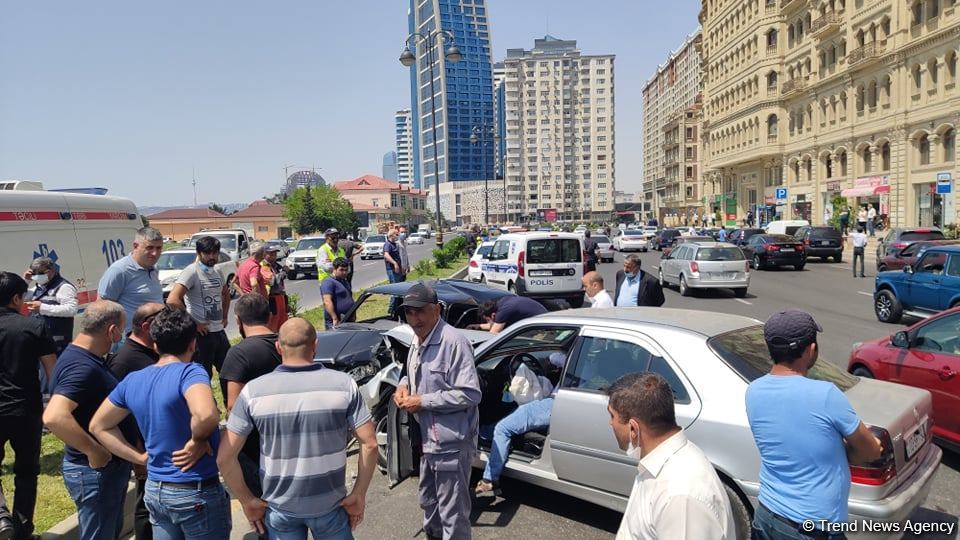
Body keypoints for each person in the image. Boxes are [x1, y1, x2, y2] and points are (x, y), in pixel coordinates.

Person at [218, 318, 377, 539]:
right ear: (315, 345)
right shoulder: (344, 385)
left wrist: (247, 500)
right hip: (331, 504)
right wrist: (359, 494)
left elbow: (225, 458)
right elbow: (369, 444)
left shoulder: (253, 392)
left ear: (278, 347)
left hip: (280, 509)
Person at [90, 307, 229, 540]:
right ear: (193, 344)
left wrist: (140, 458)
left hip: (156, 490)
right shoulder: (190, 373)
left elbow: (99, 426)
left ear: (155, 344)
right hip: (195, 490)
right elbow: (206, 415)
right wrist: (198, 440)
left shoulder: (133, 380)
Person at [746, 310, 882, 539]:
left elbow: (794, 442)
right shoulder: (826, 395)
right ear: (810, 350)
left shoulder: (753, 391)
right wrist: (850, 443)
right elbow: (871, 451)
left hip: (767, 516)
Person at [43, 300, 137, 540]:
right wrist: (94, 450)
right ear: (112, 331)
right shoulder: (82, 367)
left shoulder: (80, 356)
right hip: (95, 471)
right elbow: (54, 416)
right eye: (122, 329)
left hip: (104, 470)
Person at [394, 283, 481, 540]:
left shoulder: (454, 342)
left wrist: (422, 401)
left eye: (420, 311)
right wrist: (403, 385)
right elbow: (413, 373)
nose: (414, 318)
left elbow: (470, 393)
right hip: (427, 443)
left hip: (450, 445)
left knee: (453, 514)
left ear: (437, 310)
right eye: (409, 312)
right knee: (429, 503)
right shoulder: (417, 338)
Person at [607, 373, 735, 540]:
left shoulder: (681, 497)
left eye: (612, 416)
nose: (610, 423)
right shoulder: (662, 462)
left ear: (633, 429)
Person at [0, 272, 58, 540]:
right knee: (27, 471)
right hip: (26, 408)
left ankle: (1, 518)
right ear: (15, 298)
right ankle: (22, 531)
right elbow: (52, 371)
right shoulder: (34, 327)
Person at [103, 302, 164, 540]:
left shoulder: (154, 352)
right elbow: (116, 416)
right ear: (147, 326)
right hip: (144, 449)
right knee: (145, 506)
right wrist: (136, 454)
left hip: (159, 445)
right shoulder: (124, 362)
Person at [475, 352, 566, 496]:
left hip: (555, 403)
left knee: (502, 428)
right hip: (559, 402)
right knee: (519, 411)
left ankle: (489, 480)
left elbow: (555, 357)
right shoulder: (595, 359)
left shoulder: (582, 356)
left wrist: (548, 359)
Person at [218, 294, 281, 499]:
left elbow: (233, 407)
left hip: (256, 449)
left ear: (238, 320)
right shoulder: (287, 345)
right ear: (270, 316)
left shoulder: (239, 354)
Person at [166, 235, 231, 378]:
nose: (212, 257)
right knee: (202, 375)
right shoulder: (191, 271)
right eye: (207, 253)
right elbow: (172, 300)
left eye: (215, 253)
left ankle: (230, 400)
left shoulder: (218, 271)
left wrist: (225, 316)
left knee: (229, 372)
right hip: (202, 335)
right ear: (199, 253)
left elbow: (226, 294)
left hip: (219, 331)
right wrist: (195, 324)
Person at [98, 226, 164, 336]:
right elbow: (102, 306)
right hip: (129, 338)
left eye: (158, 248)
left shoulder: (153, 269)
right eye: (150, 248)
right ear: (135, 246)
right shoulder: (119, 270)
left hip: (154, 335)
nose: (155, 253)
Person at [24, 256, 78, 356]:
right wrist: (26, 281)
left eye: (40, 273)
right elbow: (20, 297)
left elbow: (71, 309)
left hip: (58, 341)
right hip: (42, 340)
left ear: (51, 271)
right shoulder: (38, 287)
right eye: (34, 274)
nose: (36, 276)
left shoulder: (64, 287)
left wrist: (42, 308)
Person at [469, 296, 548, 334]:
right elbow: (495, 324)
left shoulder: (503, 312)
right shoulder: (502, 302)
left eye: (487, 320)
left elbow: (492, 335)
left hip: (544, 328)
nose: (488, 322)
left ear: (493, 315)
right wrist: (477, 326)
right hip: (544, 317)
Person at [260, 244, 289, 332]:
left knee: (283, 325)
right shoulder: (263, 266)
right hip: (271, 298)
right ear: (264, 255)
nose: (274, 256)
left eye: (275, 254)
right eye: (271, 254)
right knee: (273, 325)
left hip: (280, 297)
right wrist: (283, 272)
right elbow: (273, 281)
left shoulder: (275, 265)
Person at [321, 258, 355, 330]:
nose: (344, 272)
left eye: (346, 270)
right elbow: (327, 301)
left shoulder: (344, 280)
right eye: (341, 270)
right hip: (336, 322)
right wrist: (335, 318)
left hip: (347, 319)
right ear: (334, 269)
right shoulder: (328, 282)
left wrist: (353, 313)